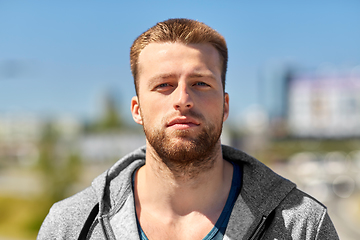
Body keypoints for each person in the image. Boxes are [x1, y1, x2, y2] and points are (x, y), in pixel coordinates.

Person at [38, 18, 339, 240]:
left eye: (200, 84)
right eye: (164, 85)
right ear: (137, 109)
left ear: (225, 105)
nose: (183, 100)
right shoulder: (70, 227)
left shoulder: (303, 226)